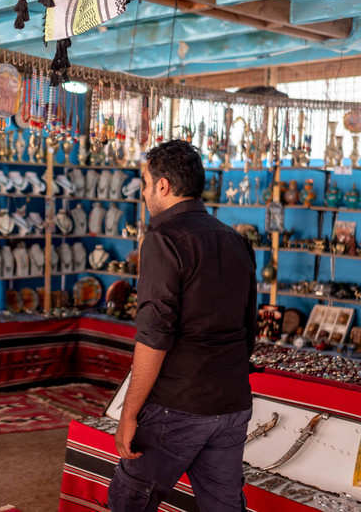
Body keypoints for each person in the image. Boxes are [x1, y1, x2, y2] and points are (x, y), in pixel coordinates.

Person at [108, 140, 257, 512]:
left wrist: (129, 414)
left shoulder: (163, 239)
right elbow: (248, 328)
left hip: (179, 404)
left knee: (129, 500)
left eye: (144, 183)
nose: (143, 193)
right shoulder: (236, 240)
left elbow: (154, 337)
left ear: (163, 186)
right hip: (232, 403)